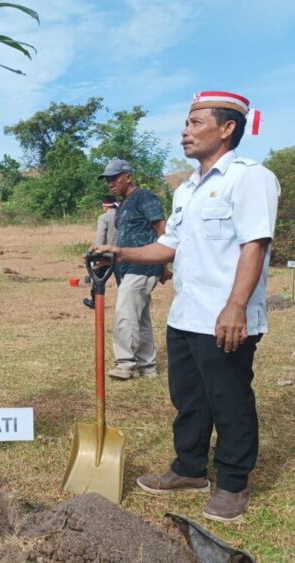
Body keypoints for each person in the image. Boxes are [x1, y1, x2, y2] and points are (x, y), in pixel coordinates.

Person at [93, 91, 280, 523]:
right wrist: (118, 252)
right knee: (189, 398)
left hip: (225, 317)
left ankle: (233, 482)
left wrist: (235, 307)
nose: (185, 131)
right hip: (186, 316)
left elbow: (255, 244)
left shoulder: (249, 178)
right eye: (186, 123)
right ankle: (189, 469)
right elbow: (167, 246)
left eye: (196, 122)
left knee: (229, 399)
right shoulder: (188, 190)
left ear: (227, 128)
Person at [97, 159, 166, 380]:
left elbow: (163, 232)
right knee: (139, 317)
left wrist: (163, 264)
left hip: (143, 267)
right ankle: (147, 366)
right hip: (126, 268)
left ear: (128, 176)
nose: (110, 183)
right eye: (107, 179)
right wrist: (107, 261)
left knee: (124, 313)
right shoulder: (123, 205)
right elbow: (127, 241)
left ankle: (125, 364)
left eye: (114, 178)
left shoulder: (144, 198)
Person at [83, 195, 120, 309]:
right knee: (122, 281)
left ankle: (96, 301)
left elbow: (100, 238)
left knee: (98, 277)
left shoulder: (103, 218)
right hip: (124, 253)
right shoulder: (122, 216)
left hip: (107, 254)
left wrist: (94, 252)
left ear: (104, 206)